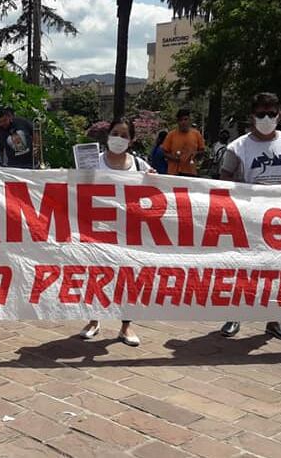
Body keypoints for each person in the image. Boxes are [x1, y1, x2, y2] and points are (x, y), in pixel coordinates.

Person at [218, 92, 281, 342]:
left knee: (278, 269)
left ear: (280, 114)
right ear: (252, 116)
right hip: (249, 219)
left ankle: (274, 319)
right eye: (261, 113)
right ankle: (234, 315)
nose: (266, 117)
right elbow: (225, 178)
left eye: (271, 113)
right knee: (243, 268)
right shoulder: (238, 147)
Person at [79, 119, 153, 347]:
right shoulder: (93, 162)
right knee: (95, 275)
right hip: (98, 229)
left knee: (128, 277)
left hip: (128, 231)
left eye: (124, 135)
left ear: (131, 140)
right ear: (107, 135)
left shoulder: (140, 166)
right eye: (115, 133)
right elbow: (76, 189)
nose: (118, 139)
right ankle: (93, 320)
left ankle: (125, 326)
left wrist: (156, 180)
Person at [162, 108, 205, 176]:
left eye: (185, 119)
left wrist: (196, 154)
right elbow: (164, 152)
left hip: (190, 171)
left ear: (189, 120)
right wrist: (175, 158)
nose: (183, 122)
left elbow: (202, 151)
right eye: (181, 120)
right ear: (178, 122)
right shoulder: (171, 135)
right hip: (174, 172)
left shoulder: (196, 134)